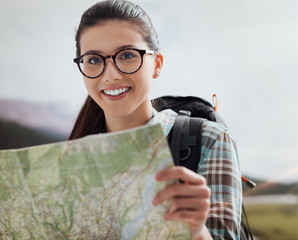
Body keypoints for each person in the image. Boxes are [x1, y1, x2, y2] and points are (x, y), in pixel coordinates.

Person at [69, 0, 242, 239]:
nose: (110, 75)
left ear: (156, 64)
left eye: (127, 55)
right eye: (94, 60)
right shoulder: (71, 157)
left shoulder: (209, 140)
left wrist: (195, 231)